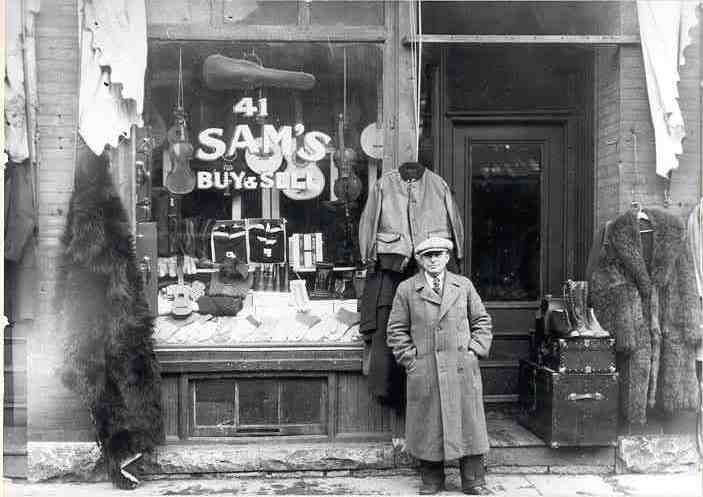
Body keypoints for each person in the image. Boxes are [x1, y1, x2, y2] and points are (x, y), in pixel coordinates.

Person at [386, 237, 493, 495]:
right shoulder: (407, 289)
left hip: (461, 369)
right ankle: (432, 479)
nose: (434, 259)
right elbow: (396, 330)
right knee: (429, 424)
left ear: (447, 257)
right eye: (428, 255)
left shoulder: (463, 286)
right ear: (420, 260)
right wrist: (412, 361)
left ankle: (473, 480)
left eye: (439, 254)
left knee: (469, 423)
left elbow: (482, 321)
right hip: (427, 370)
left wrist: (473, 352)